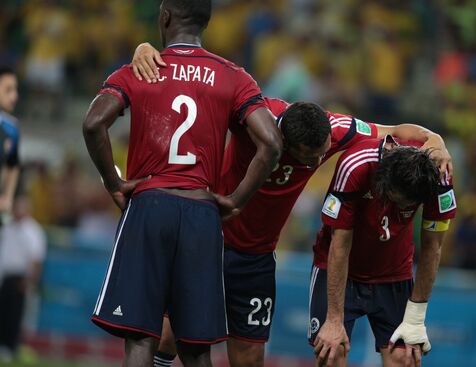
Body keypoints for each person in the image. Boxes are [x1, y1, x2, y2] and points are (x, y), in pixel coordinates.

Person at [132, 41, 453, 367]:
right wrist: (148, 50)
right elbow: (196, 87)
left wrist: (435, 140)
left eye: (323, 150)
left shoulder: (334, 129)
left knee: (250, 356)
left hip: (256, 256)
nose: (317, 160)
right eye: (309, 156)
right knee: (170, 336)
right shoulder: (252, 118)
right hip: (208, 238)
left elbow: (396, 131)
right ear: (283, 143)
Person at [82, 1, 282, 366]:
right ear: (205, 23)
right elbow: (271, 141)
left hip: (149, 204)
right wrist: (236, 200)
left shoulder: (141, 69)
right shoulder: (233, 75)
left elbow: (94, 123)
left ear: (165, 17)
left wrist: (115, 182)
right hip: (201, 212)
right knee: (195, 347)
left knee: (142, 339)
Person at [310, 136, 456, 367]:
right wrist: (334, 319)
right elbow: (339, 244)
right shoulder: (356, 164)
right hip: (341, 271)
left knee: (404, 357)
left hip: (394, 272)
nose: (399, 210)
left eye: (407, 206)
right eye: (394, 201)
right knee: (331, 353)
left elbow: (433, 246)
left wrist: (415, 320)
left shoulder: (440, 174)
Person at [0, 196, 47, 362]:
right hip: (5, 276)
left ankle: (10, 347)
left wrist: (29, 281)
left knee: (14, 315)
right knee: (3, 313)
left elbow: (36, 259)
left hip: (19, 278)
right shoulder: (7, 227)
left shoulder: (33, 231)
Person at [0, 67, 21, 215]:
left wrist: (7, 198)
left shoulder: (11, 128)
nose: (14, 96)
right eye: (8, 90)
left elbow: (13, 165)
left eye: (15, 90)